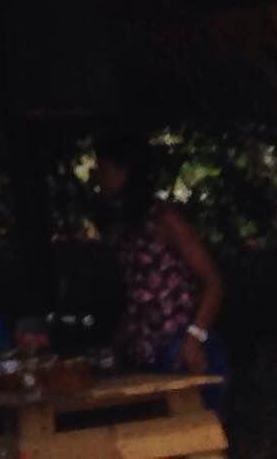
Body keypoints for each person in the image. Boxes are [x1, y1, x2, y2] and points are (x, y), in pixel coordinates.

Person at [92, 133, 224, 386]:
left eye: (104, 168)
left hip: (182, 353)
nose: (98, 177)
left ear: (124, 172)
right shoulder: (128, 228)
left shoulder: (165, 219)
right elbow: (142, 300)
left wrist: (194, 339)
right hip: (147, 356)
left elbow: (213, 281)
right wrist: (113, 347)